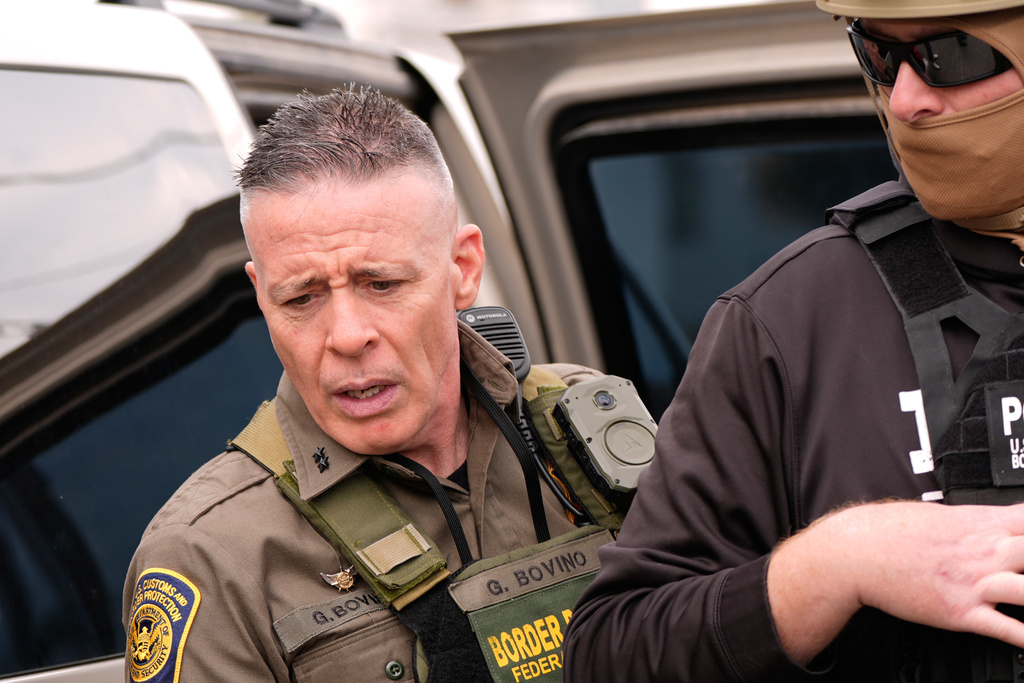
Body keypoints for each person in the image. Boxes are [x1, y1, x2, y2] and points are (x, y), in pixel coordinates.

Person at [563, 1, 1024, 681]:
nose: (905, 99)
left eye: (950, 56)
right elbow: (611, 655)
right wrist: (837, 561)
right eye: (879, 55)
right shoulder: (793, 315)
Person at [122, 87, 607, 682]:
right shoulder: (212, 553)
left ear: (463, 269)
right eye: (301, 297)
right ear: (260, 294)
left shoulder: (588, 431)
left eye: (381, 284)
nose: (347, 336)